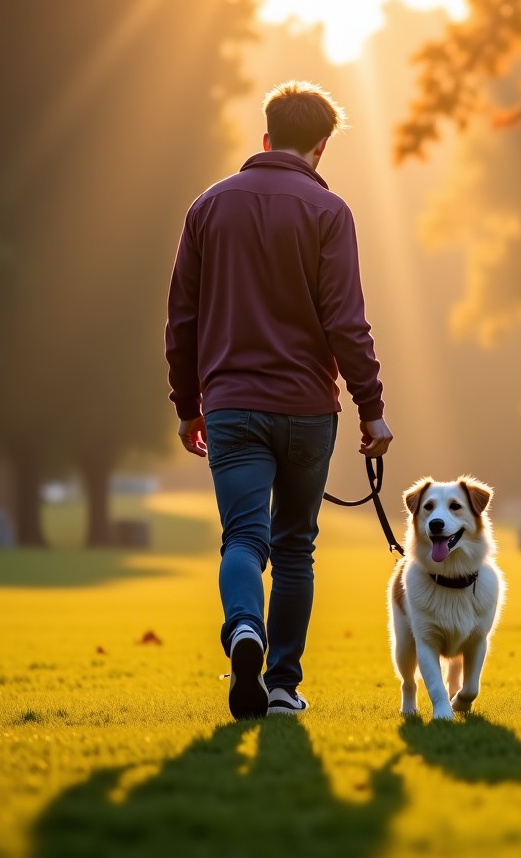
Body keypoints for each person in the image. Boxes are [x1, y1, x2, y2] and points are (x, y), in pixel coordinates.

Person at [165, 80, 392, 719]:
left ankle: (243, 629)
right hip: (307, 408)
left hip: (232, 404)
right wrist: (371, 407)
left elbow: (180, 317)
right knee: (295, 546)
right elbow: (347, 322)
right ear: (321, 147)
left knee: (243, 538)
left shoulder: (207, 208)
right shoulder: (330, 212)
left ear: (265, 138)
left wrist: (188, 404)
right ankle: (284, 686)